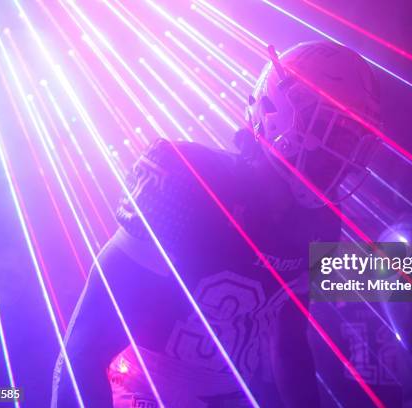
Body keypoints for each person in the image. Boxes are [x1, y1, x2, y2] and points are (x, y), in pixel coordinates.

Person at [51, 40, 381, 407]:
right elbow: (83, 350)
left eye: (352, 137)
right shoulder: (189, 182)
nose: (342, 152)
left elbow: (289, 347)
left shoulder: (319, 221)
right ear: (280, 112)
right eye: (332, 129)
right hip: (145, 394)